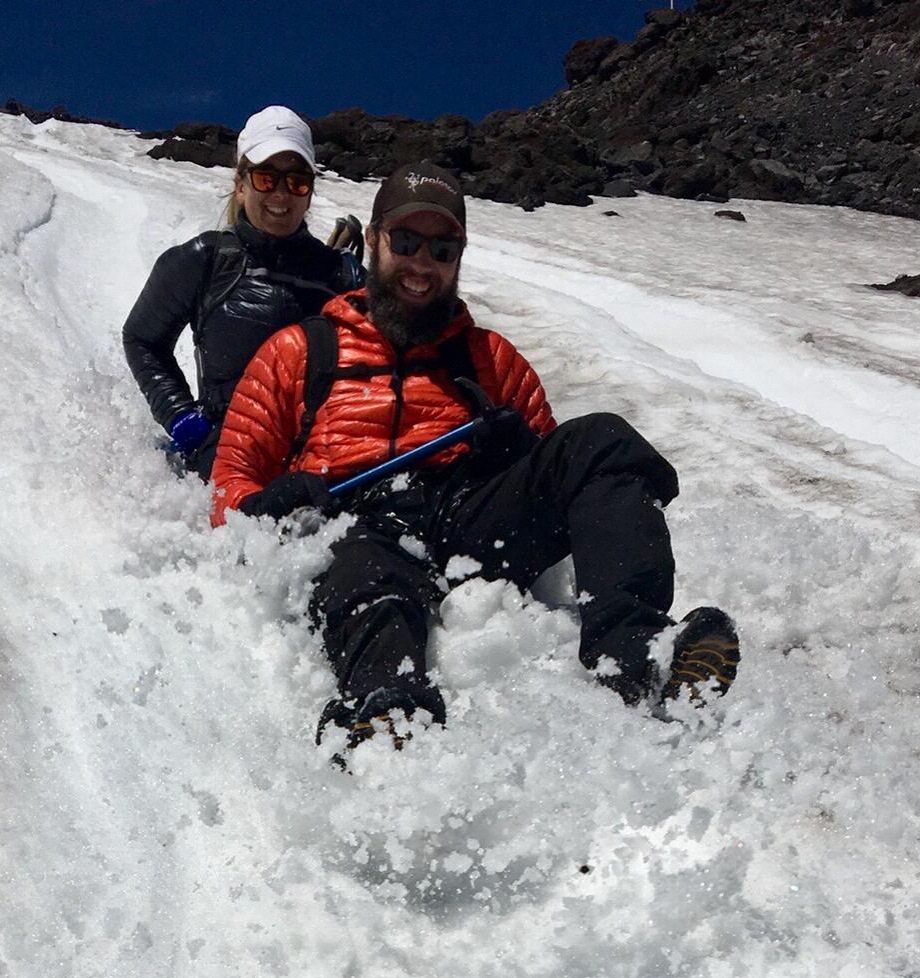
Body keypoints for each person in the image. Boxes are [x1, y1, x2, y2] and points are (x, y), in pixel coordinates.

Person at [210, 162, 739, 750]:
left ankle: (637, 653)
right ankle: (388, 713)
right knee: (365, 571)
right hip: (359, 522)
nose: (421, 264)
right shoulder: (299, 351)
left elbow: (572, 486)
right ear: (375, 241)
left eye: (441, 248)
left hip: (468, 522)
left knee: (600, 441)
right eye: (405, 242)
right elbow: (230, 477)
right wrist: (267, 500)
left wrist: (521, 452)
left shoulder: (493, 359)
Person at [122, 107, 361, 480]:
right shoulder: (206, 260)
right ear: (241, 183)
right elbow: (141, 339)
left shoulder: (340, 275)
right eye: (267, 178)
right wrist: (184, 421)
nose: (282, 194)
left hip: (323, 465)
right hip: (229, 460)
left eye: (297, 182)